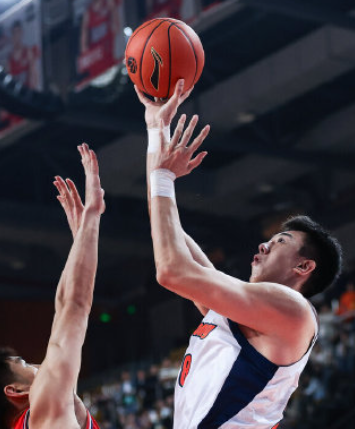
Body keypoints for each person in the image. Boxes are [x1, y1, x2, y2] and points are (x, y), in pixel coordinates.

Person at [135, 79, 343, 428]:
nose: (263, 244)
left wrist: (164, 177)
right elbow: (163, 224)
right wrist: (156, 130)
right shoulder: (242, 312)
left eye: (280, 241)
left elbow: (170, 270)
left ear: (304, 266)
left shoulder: (294, 312)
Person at [0, 144, 105, 429]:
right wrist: (92, 216)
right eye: (23, 363)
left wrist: (82, 240)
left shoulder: (52, 413)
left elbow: (64, 308)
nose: (38, 364)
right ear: (16, 391)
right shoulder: (43, 407)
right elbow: (73, 307)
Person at [78, 0, 121, 80]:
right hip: (96, 51)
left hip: (107, 45)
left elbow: (115, 17)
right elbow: (84, 32)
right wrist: (84, 49)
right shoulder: (88, 12)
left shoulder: (108, 1)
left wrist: (116, 28)